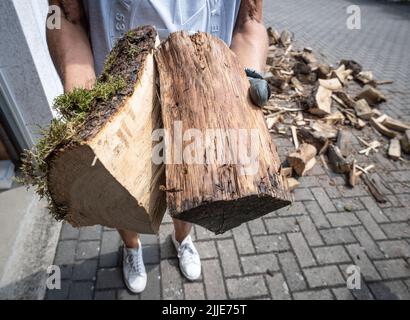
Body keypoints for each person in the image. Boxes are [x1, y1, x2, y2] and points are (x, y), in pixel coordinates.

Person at [47, 0, 270, 294]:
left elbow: (249, 20)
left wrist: (245, 77)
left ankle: (181, 240)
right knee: (122, 192)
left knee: (191, 188)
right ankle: (132, 247)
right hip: (121, 103)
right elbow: (63, 16)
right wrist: (83, 94)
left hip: (202, 97)